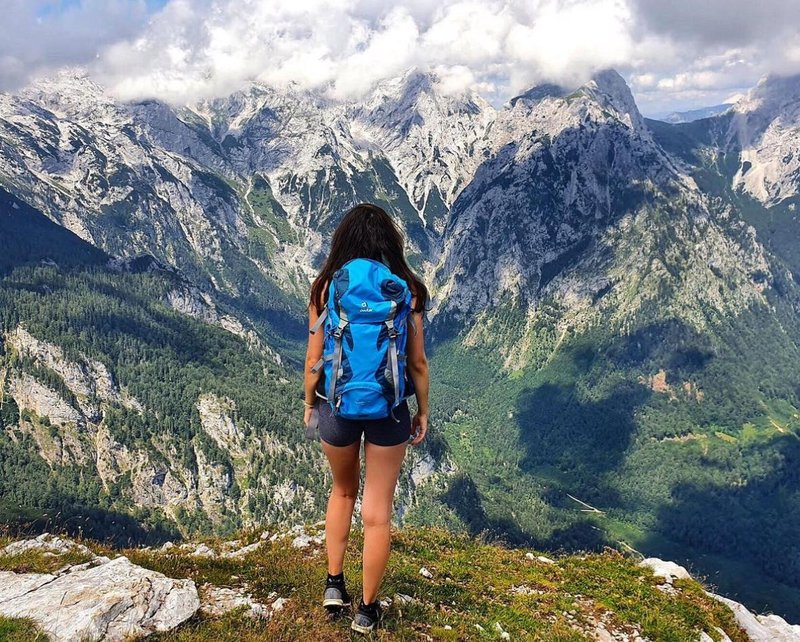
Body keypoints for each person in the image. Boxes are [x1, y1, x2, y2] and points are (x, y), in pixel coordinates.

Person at [303, 202, 430, 634]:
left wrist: (309, 402)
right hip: (389, 411)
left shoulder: (325, 289)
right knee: (377, 512)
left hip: (337, 408)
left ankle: (334, 584)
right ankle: (367, 610)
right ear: (389, 243)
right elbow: (417, 364)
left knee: (341, 492)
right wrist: (423, 410)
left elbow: (314, 362)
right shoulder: (407, 290)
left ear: (343, 241)